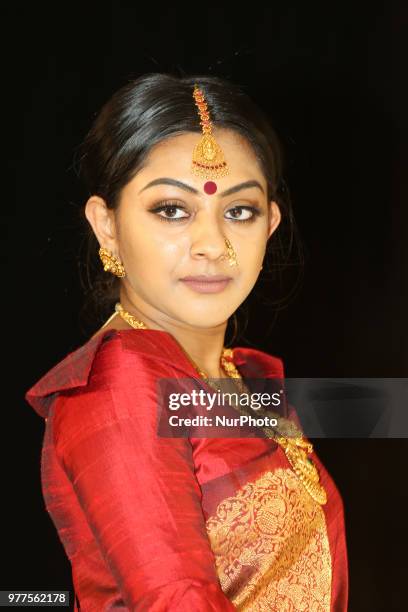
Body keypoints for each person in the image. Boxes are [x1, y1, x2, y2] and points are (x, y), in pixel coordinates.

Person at [25, 73, 348, 611]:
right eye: (172, 210)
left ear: (269, 224)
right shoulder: (121, 380)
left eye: (237, 212)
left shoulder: (241, 378)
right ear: (107, 225)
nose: (212, 245)